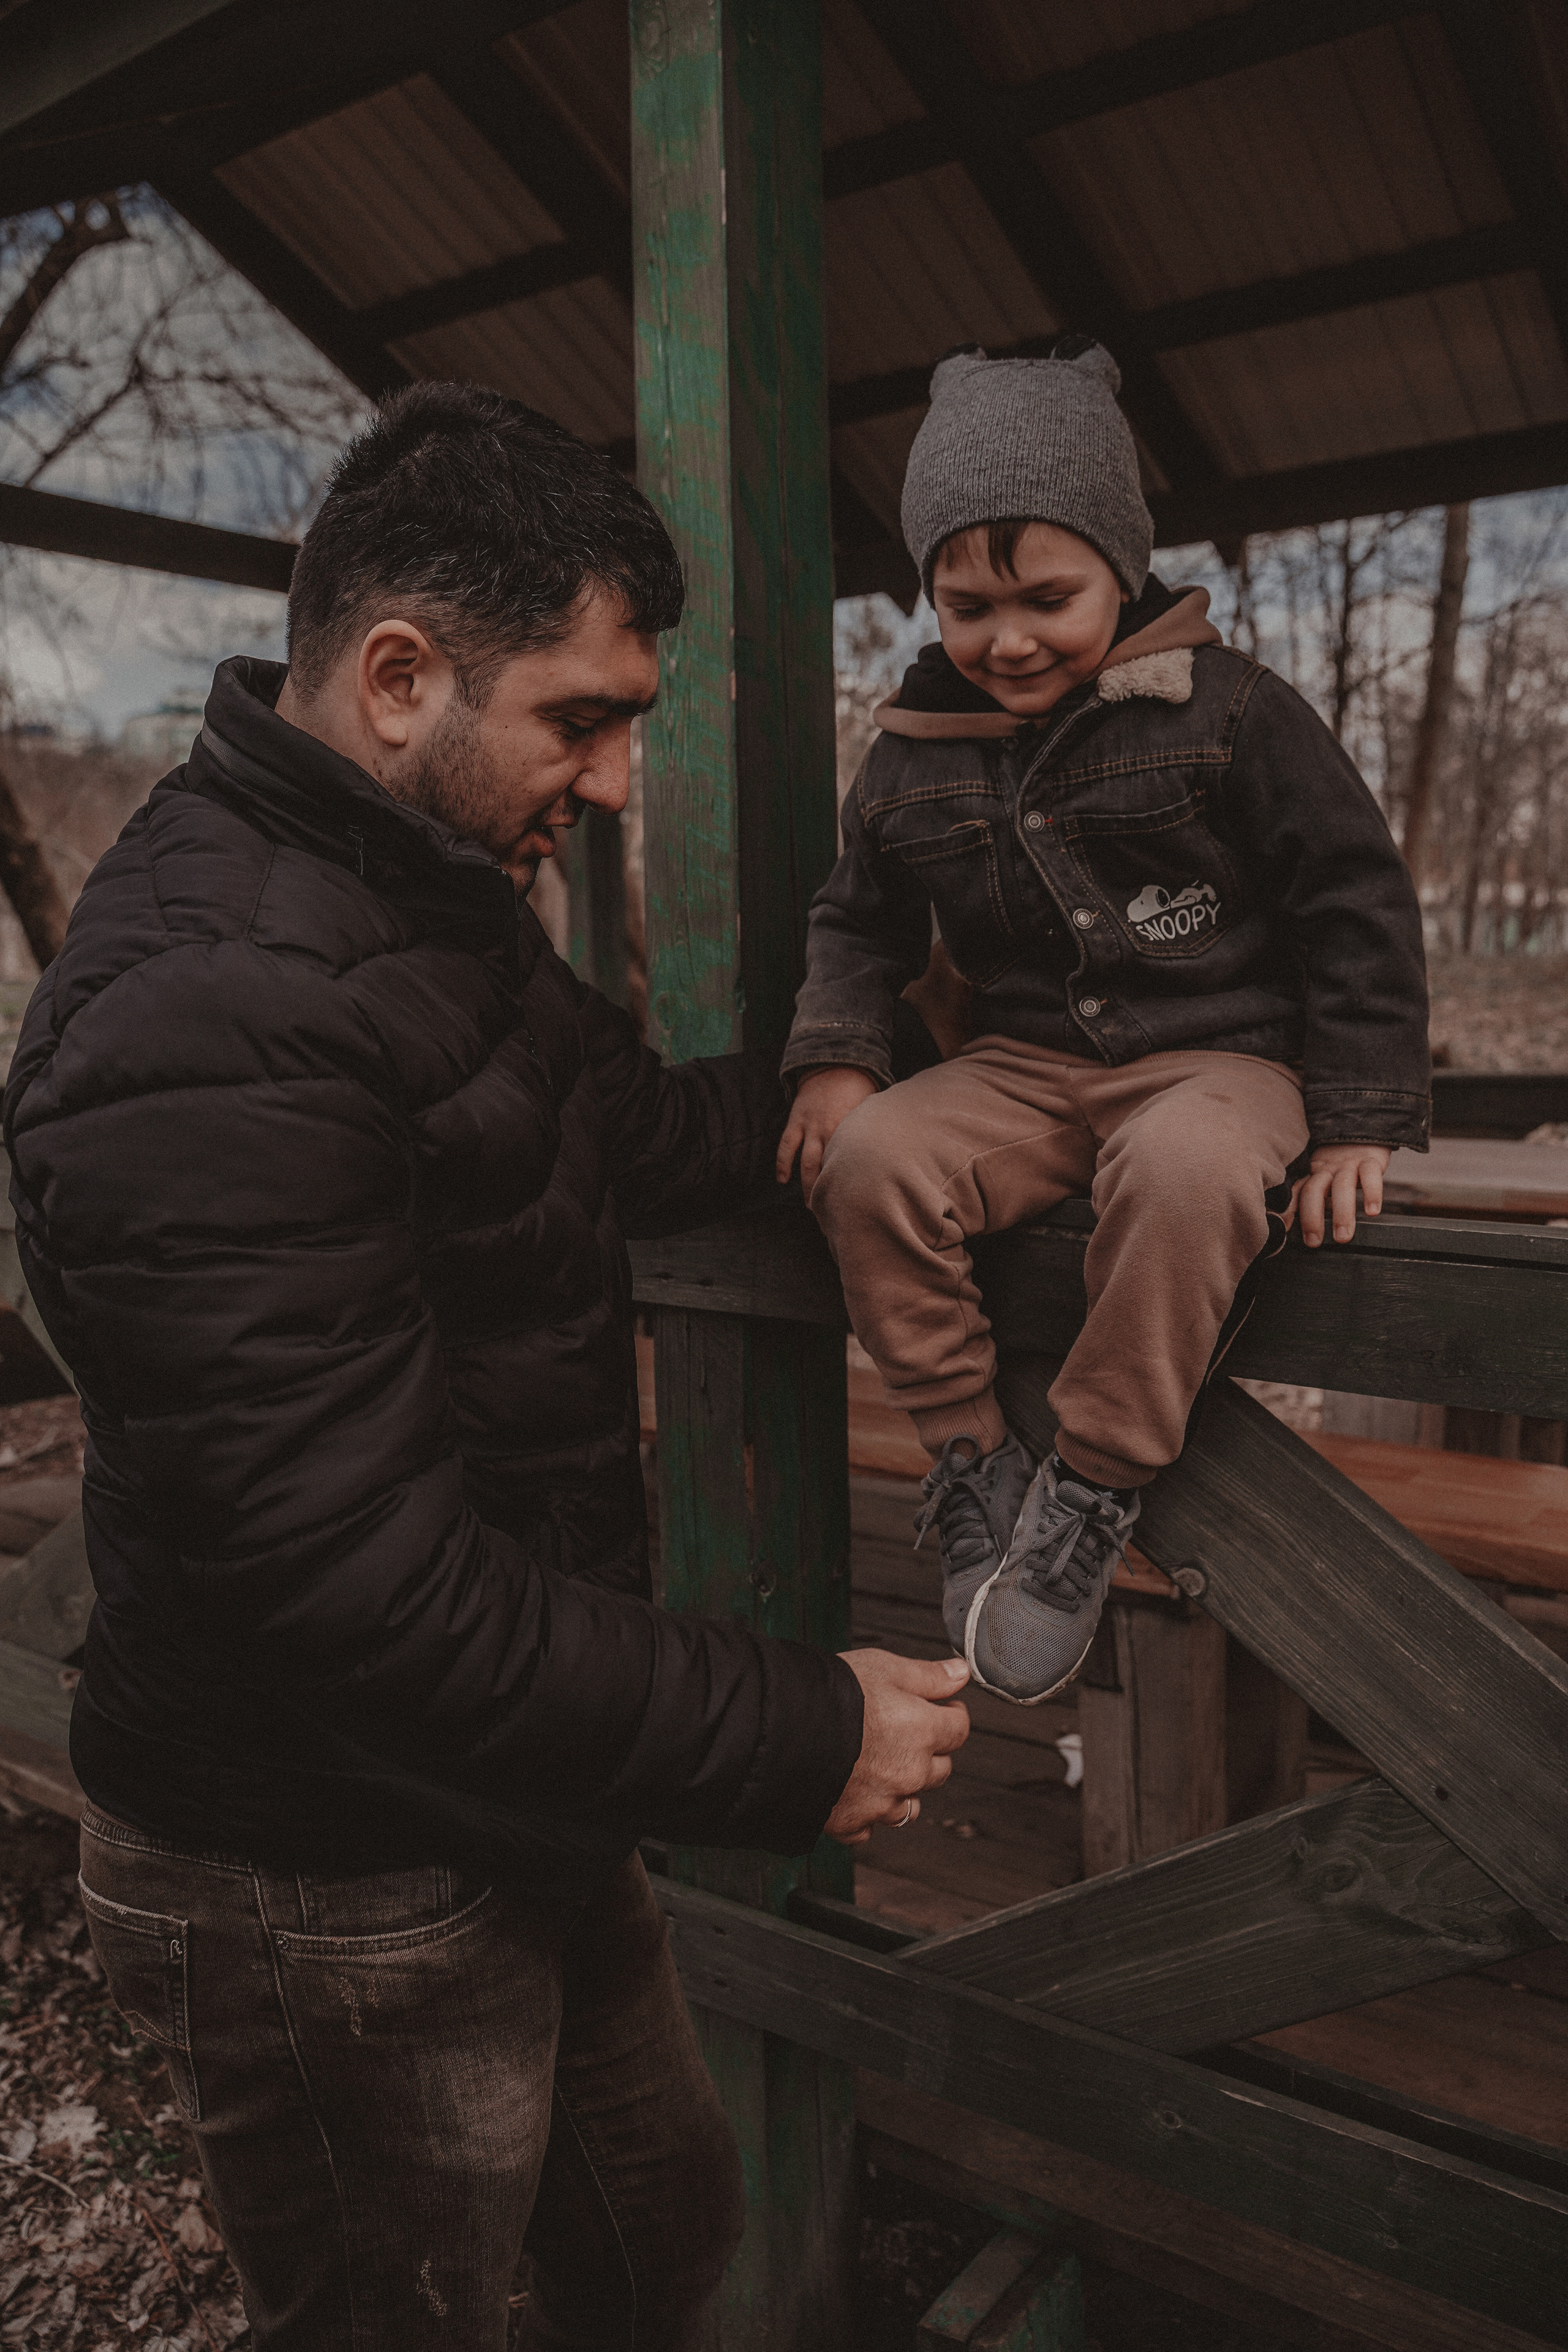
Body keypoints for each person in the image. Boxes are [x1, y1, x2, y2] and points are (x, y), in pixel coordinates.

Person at [4, 385, 970, 2351]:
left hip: (511, 1786)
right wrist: (799, 1730)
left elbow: (654, 1136)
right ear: (393, 676)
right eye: (582, 719)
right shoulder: (200, 1010)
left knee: (653, 2235)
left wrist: (921, 1072)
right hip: (317, 1867)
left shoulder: (428, 920)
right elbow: (358, 1587)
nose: (616, 782)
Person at [777, 339, 1429, 1709]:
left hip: (1222, 1057)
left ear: (1121, 570)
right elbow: (856, 922)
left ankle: (1089, 1483)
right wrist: (838, 1062)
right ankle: (969, 1459)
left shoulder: (1231, 713)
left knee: (1186, 1172)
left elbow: (1352, 900)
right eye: (966, 604)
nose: (1007, 636)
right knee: (874, 1163)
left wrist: (1360, 1115)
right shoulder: (910, 750)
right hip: (1020, 1069)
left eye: (1046, 597)